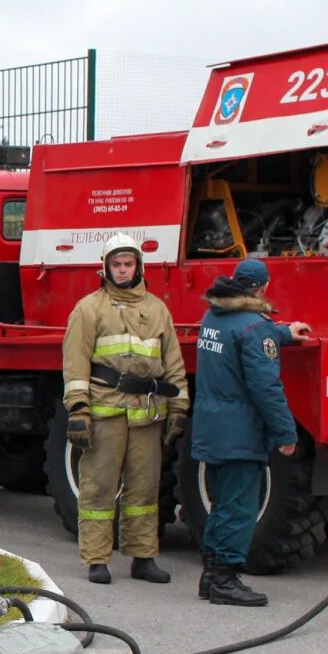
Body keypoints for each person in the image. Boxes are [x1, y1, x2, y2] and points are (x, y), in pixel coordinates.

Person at [62, 232, 190, 585]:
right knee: (99, 488)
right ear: (105, 267)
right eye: (116, 264)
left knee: (144, 491)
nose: (122, 270)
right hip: (106, 410)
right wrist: (78, 410)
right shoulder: (89, 309)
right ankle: (97, 559)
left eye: (128, 263)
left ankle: (143, 557)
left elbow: (173, 363)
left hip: (147, 414)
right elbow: (76, 365)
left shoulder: (157, 309)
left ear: (139, 266)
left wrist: (179, 405)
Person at [191, 256, 312, 607]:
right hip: (240, 433)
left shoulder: (213, 316)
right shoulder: (253, 327)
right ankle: (226, 579)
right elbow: (266, 387)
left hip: (212, 427)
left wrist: (282, 332)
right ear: (263, 287)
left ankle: (211, 575)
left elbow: (242, 336)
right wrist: (286, 433)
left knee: (222, 505)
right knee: (241, 507)